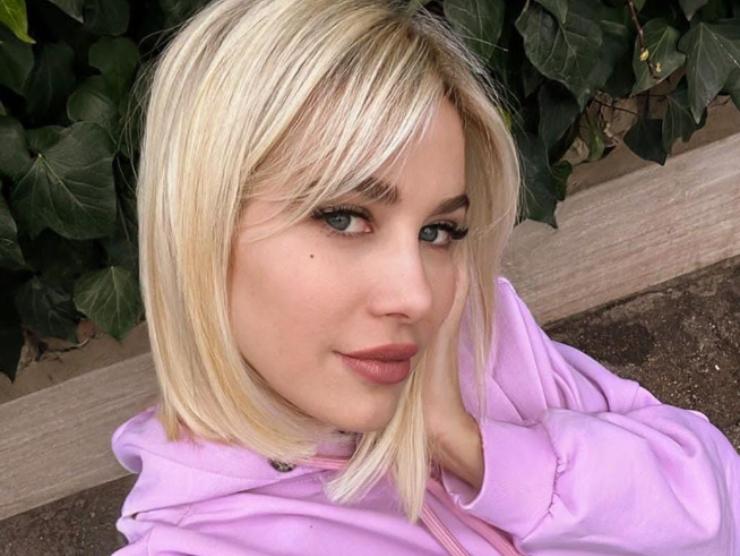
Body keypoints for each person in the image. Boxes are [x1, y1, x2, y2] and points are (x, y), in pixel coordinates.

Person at [111, 0, 740, 554]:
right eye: (343, 218)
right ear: (201, 227)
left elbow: (718, 512)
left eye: (438, 231)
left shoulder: (478, 339)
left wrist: (467, 443)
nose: (415, 297)